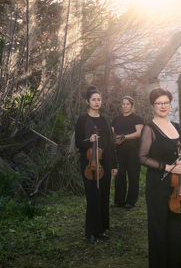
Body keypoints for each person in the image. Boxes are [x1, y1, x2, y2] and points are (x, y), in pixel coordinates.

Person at [139, 88, 181, 267]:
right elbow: (142, 157)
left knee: (175, 229)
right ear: (153, 106)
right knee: (159, 230)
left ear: (170, 104)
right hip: (158, 186)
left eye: (166, 103)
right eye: (159, 103)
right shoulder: (149, 128)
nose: (163, 106)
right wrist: (167, 167)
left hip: (177, 187)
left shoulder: (176, 126)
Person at [75, 86, 118, 244]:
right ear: (87, 101)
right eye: (93, 99)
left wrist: (114, 164)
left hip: (105, 163)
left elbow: (111, 143)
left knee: (104, 195)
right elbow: (78, 143)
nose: (96, 102)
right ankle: (91, 231)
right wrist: (89, 140)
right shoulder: (82, 120)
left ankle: (101, 229)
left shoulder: (106, 119)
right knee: (93, 197)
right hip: (90, 164)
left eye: (99, 99)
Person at [111, 96, 144, 208]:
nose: (125, 106)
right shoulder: (116, 119)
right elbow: (111, 132)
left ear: (132, 106)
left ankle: (131, 201)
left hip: (133, 152)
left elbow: (139, 133)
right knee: (119, 176)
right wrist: (115, 139)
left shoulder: (137, 118)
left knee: (133, 176)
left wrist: (124, 137)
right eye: (123, 104)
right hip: (119, 152)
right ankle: (119, 201)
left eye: (127, 104)